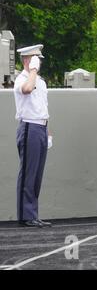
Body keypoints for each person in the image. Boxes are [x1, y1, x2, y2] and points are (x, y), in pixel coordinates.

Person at [13, 44, 52, 228]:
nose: (40, 61)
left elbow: (42, 106)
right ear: (27, 59)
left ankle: (33, 213)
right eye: (37, 58)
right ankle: (25, 215)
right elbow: (28, 89)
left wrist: (47, 130)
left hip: (40, 128)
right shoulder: (22, 79)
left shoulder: (40, 81)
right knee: (28, 173)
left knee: (37, 175)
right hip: (29, 127)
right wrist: (32, 69)